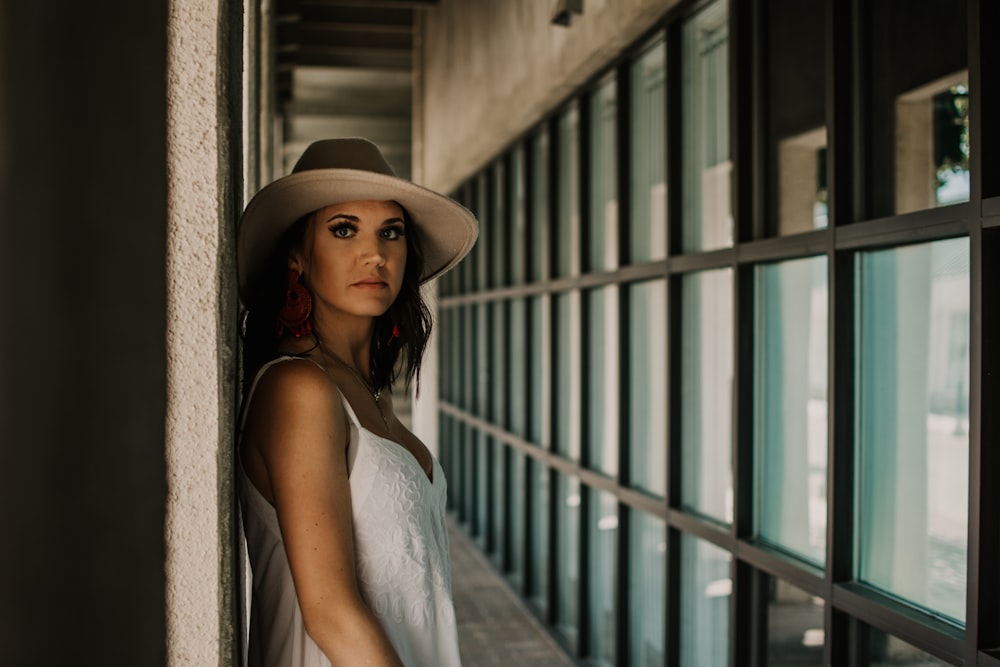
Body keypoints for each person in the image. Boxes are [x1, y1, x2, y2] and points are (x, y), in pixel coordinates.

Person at [235, 137, 478, 666]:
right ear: (297, 256)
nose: (375, 253)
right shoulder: (298, 389)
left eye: (390, 232)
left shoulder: (364, 392)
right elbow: (330, 614)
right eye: (344, 229)